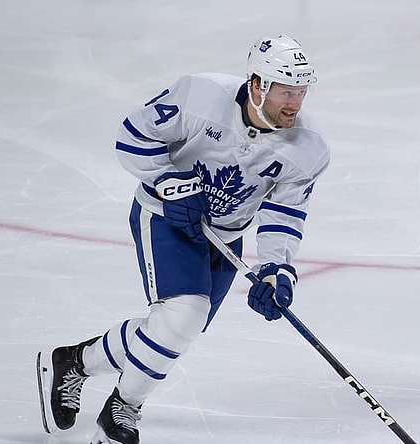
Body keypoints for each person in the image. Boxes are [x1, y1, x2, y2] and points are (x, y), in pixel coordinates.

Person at [36, 35, 330, 444]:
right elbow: (133, 136)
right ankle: (123, 410)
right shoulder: (201, 94)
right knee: (182, 318)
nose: (295, 103)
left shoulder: (308, 148)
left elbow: (285, 212)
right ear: (258, 85)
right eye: (286, 91)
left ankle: (74, 363)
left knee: (174, 331)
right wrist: (169, 182)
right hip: (165, 220)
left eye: (301, 92)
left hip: (225, 239)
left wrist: (275, 270)